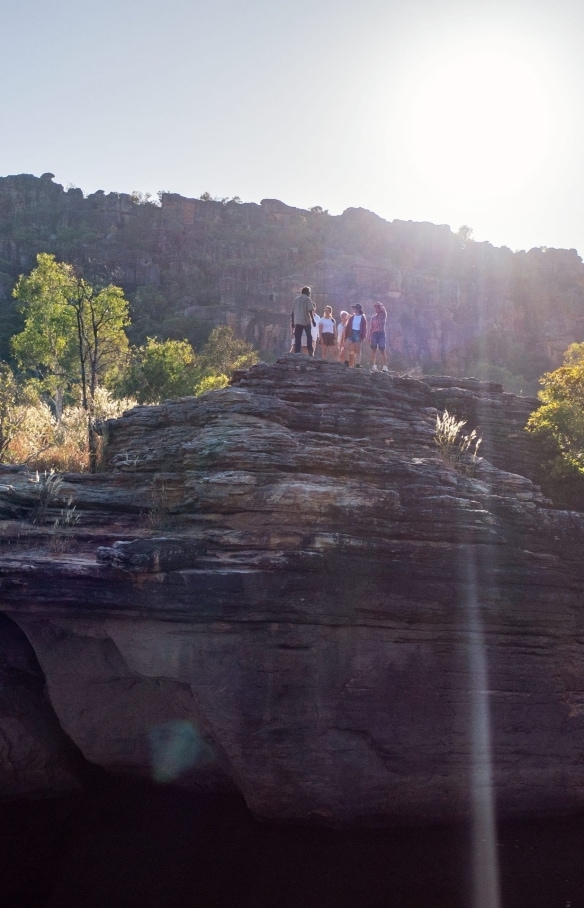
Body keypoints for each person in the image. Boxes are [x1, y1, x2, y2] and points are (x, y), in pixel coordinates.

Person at [291, 286, 316, 355]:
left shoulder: (296, 299)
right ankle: (310, 350)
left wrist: (292, 322)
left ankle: (297, 352)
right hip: (305, 321)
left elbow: (292, 312)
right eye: (309, 292)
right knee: (309, 336)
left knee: (298, 337)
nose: (309, 294)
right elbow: (310, 310)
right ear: (306, 292)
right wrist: (313, 321)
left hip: (297, 321)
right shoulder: (307, 299)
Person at [343, 303, 367, 368]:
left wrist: (363, 337)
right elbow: (348, 326)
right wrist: (346, 335)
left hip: (358, 333)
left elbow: (364, 328)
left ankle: (357, 364)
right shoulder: (352, 317)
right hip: (351, 333)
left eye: (354, 308)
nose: (353, 309)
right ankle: (347, 361)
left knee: (358, 350)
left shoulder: (362, 318)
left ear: (358, 309)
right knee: (345, 346)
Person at [369, 302, 389, 372]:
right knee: (373, 350)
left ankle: (385, 366)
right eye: (375, 308)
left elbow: (384, 310)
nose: (376, 309)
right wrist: (369, 336)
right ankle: (374, 366)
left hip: (381, 333)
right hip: (374, 333)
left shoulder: (383, 315)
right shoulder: (373, 317)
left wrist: (380, 306)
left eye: (377, 308)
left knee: (382, 350)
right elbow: (371, 327)